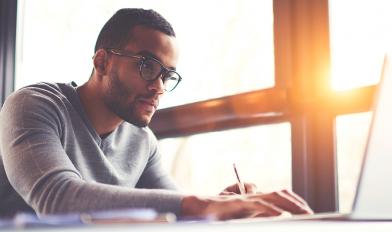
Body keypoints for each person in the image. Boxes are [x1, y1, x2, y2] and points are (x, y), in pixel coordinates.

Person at [0, 8, 312, 220]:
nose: (159, 88)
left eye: (167, 76)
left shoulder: (141, 140)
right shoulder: (33, 105)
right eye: (147, 66)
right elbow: (58, 199)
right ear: (102, 62)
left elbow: (175, 208)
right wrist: (198, 205)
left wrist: (223, 202)